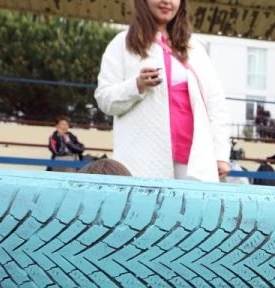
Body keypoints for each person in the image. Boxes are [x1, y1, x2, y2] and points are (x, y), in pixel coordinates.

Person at [94, 0, 231, 181]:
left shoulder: (195, 48)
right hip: (142, 161)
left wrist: (221, 154)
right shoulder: (122, 44)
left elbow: (216, 103)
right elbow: (104, 99)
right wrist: (136, 86)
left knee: (193, 209)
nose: (167, 2)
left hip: (194, 164)